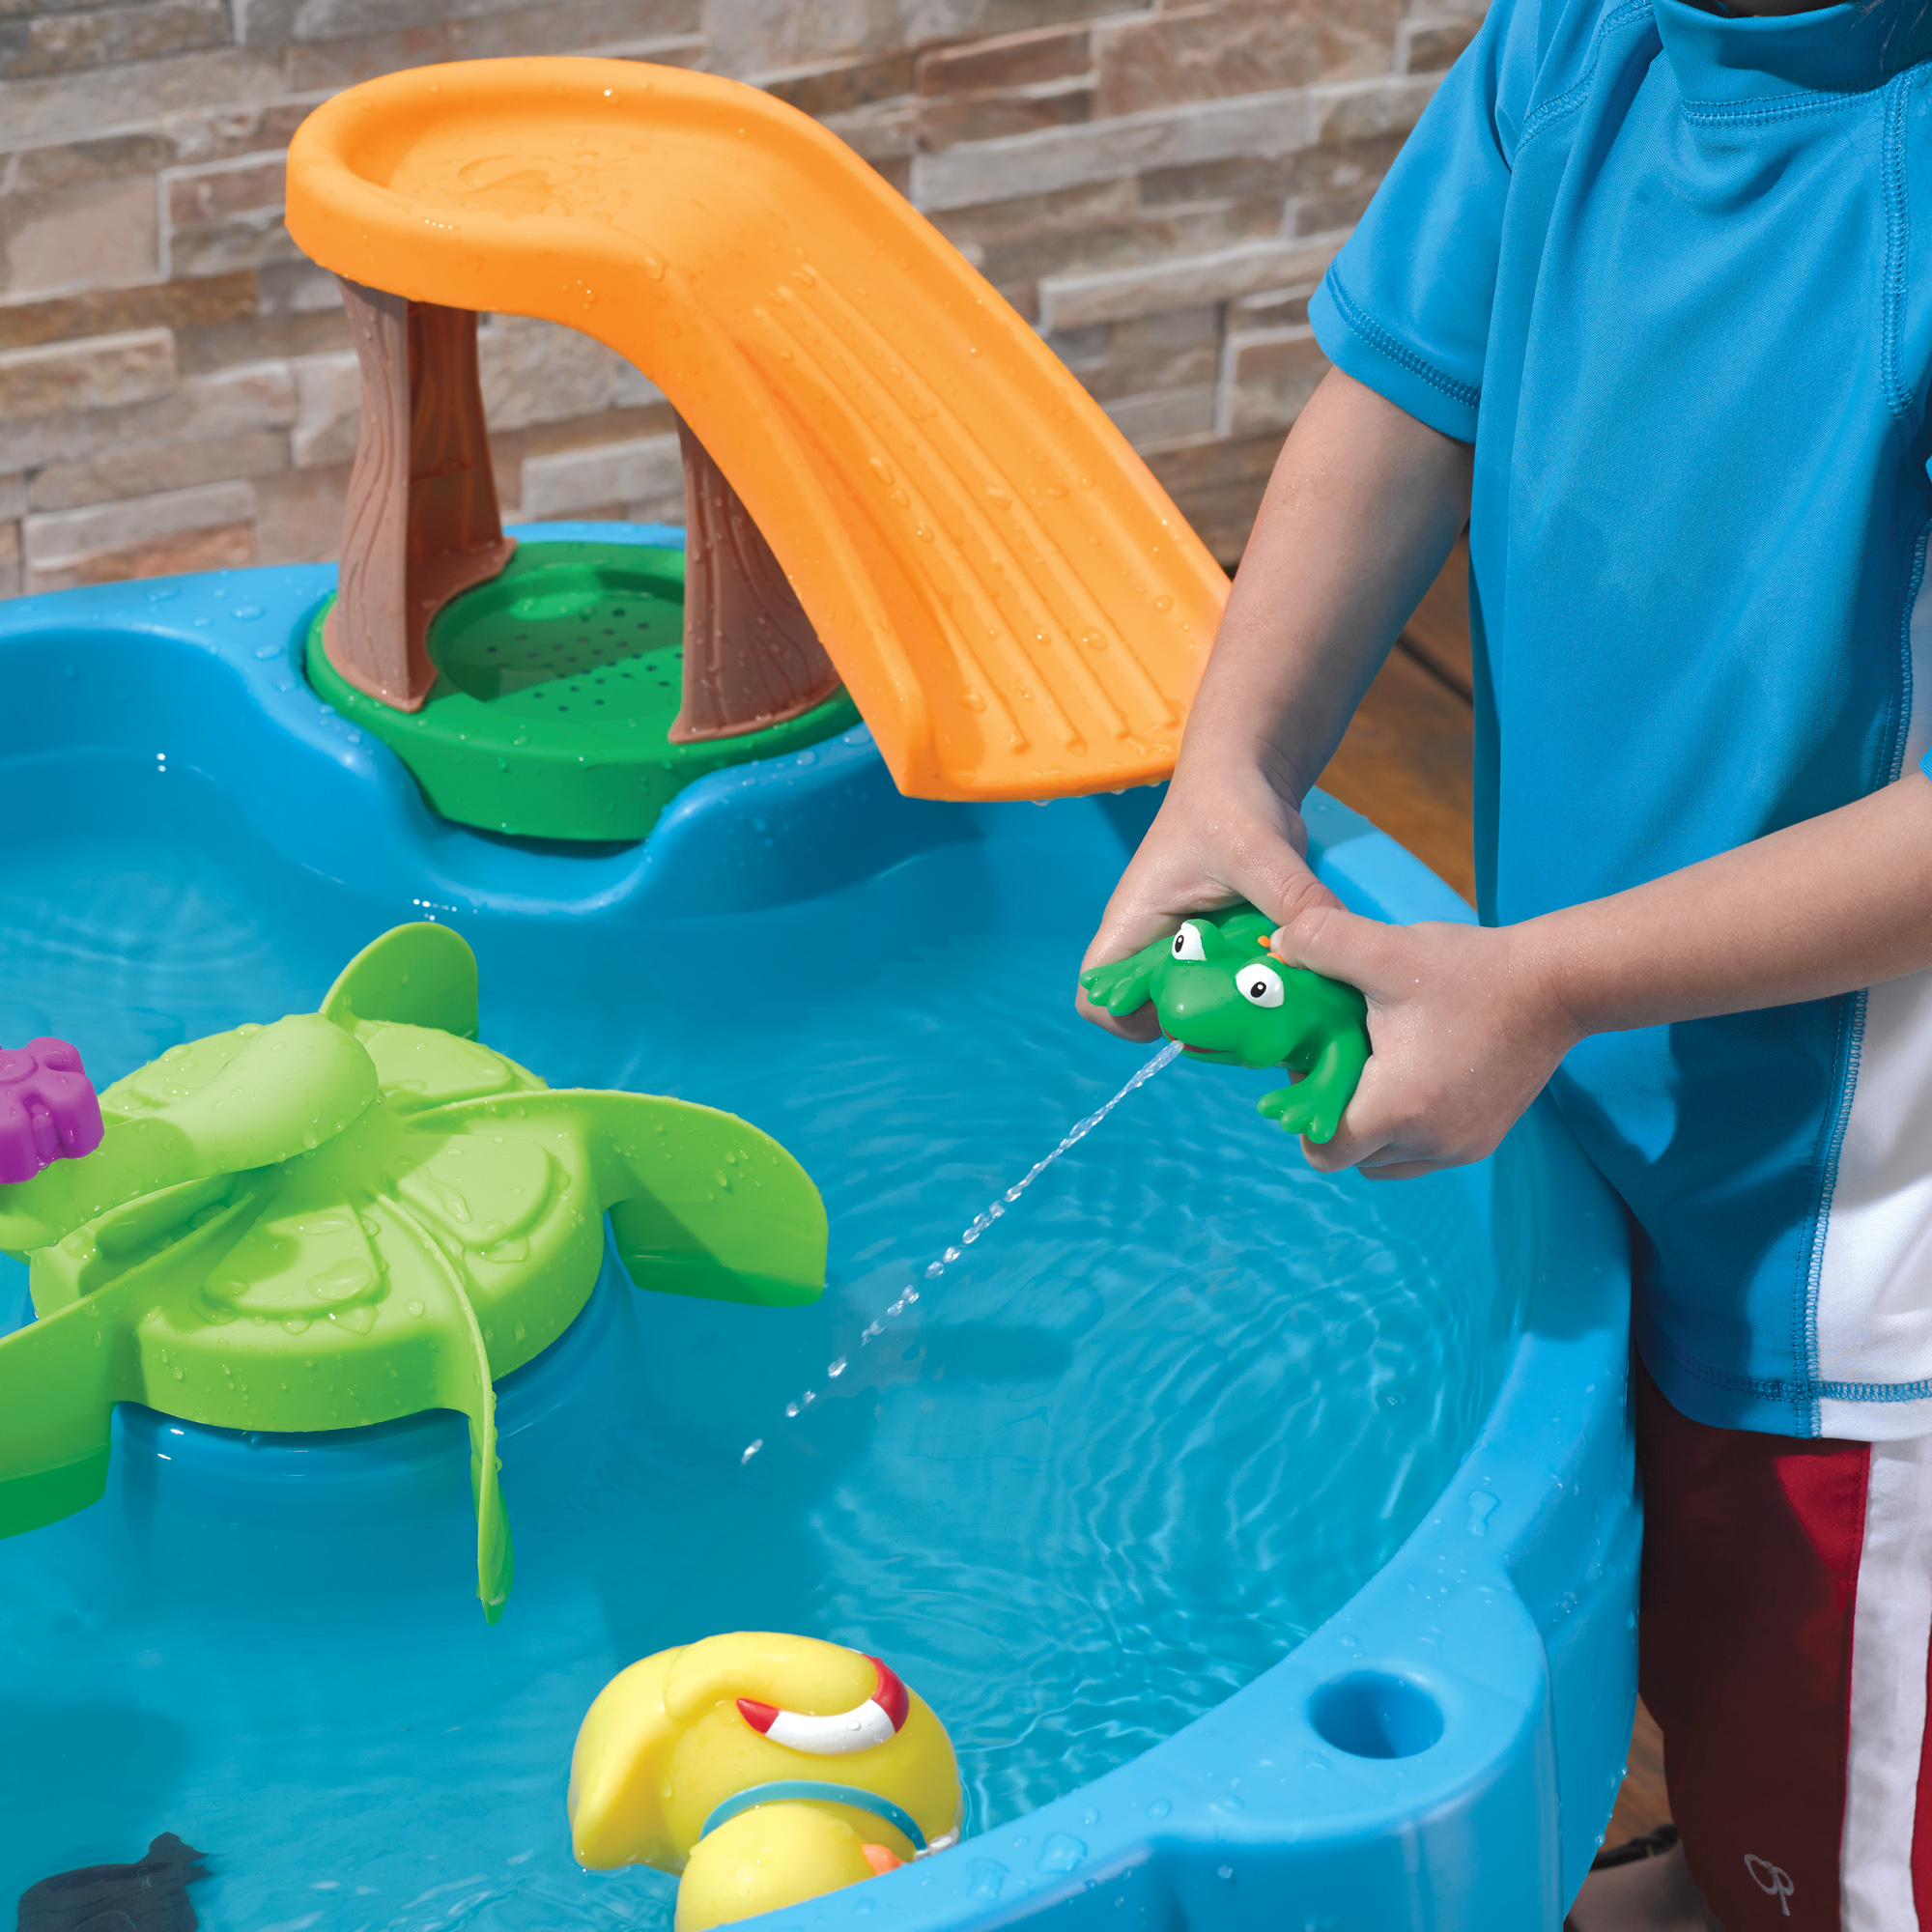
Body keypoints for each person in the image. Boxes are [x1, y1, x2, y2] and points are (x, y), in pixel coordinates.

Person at [1075, 1, 1932, 1926]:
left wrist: (1540, 985)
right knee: (1686, 1641)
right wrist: (1234, 770)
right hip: (1621, 1087)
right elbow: (1401, 399)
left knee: (1834, 1771)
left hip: (1858, 1264)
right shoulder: (1582, 35)